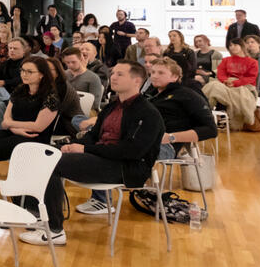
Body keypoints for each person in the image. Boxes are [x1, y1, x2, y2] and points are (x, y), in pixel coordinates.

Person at [20, 61, 164, 245]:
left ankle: (54, 231)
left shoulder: (147, 113)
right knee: (41, 155)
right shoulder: (113, 106)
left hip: (126, 167)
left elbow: (132, 151)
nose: (113, 77)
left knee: (52, 165)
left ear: (137, 81)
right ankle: (37, 214)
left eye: (120, 74)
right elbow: (93, 136)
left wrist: (85, 149)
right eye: (113, 73)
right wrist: (74, 145)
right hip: (101, 157)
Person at [76, 57, 217, 215]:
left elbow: (211, 130)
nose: (155, 76)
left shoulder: (187, 95)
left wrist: (172, 137)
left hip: (162, 144)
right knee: (81, 122)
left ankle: (102, 200)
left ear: (175, 77)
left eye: (161, 73)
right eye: (153, 72)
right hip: (134, 137)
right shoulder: (150, 95)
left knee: (109, 149)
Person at [0, 58, 60, 195]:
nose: (24, 74)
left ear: (41, 74)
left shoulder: (51, 96)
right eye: (22, 71)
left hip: (35, 138)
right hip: (15, 132)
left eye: (29, 72)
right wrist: (15, 128)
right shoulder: (20, 89)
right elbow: (5, 121)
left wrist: (11, 125)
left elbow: (38, 127)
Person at [201, 38, 258, 131]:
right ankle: (208, 114)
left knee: (216, 88)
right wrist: (225, 81)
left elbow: (251, 78)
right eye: (230, 46)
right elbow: (220, 73)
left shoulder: (252, 62)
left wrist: (235, 83)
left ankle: (208, 115)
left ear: (242, 46)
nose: (232, 47)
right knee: (214, 86)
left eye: (235, 45)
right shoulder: (226, 60)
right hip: (225, 84)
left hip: (244, 87)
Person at [0, 37, 28, 130]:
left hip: (20, 96)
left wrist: (4, 82)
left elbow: (23, 80)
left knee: (0, 104)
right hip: (4, 95)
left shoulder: (28, 63)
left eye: (15, 48)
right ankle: (7, 99)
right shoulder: (5, 63)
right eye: (10, 48)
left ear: (24, 51)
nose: (12, 50)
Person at [61, 45, 104, 120]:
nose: (70, 65)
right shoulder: (64, 75)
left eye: (73, 62)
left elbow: (95, 104)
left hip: (85, 111)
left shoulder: (93, 78)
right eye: (67, 62)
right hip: (66, 108)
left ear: (81, 59)